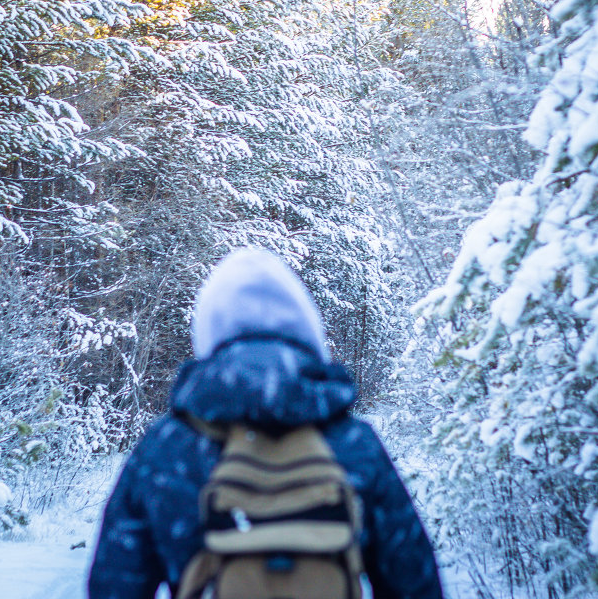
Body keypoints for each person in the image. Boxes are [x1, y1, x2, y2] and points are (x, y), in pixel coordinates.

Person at [87, 248, 444, 599]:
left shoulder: (167, 446)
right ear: (307, 332)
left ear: (209, 333)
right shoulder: (354, 442)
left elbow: (113, 585)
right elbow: (415, 583)